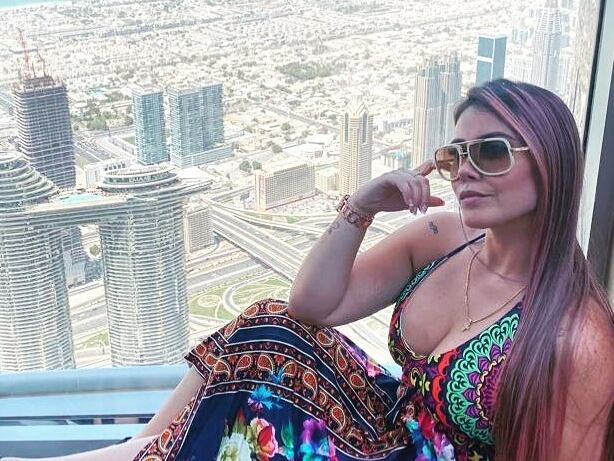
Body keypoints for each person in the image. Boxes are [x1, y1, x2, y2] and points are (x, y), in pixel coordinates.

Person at [5, 79, 613, 461]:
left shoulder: (576, 336)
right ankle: (142, 450)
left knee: (256, 424)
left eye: (492, 152)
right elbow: (313, 307)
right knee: (269, 325)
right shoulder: (443, 237)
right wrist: (362, 206)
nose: (465, 171)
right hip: (384, 423)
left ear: (551, 160)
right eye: (455, 155)